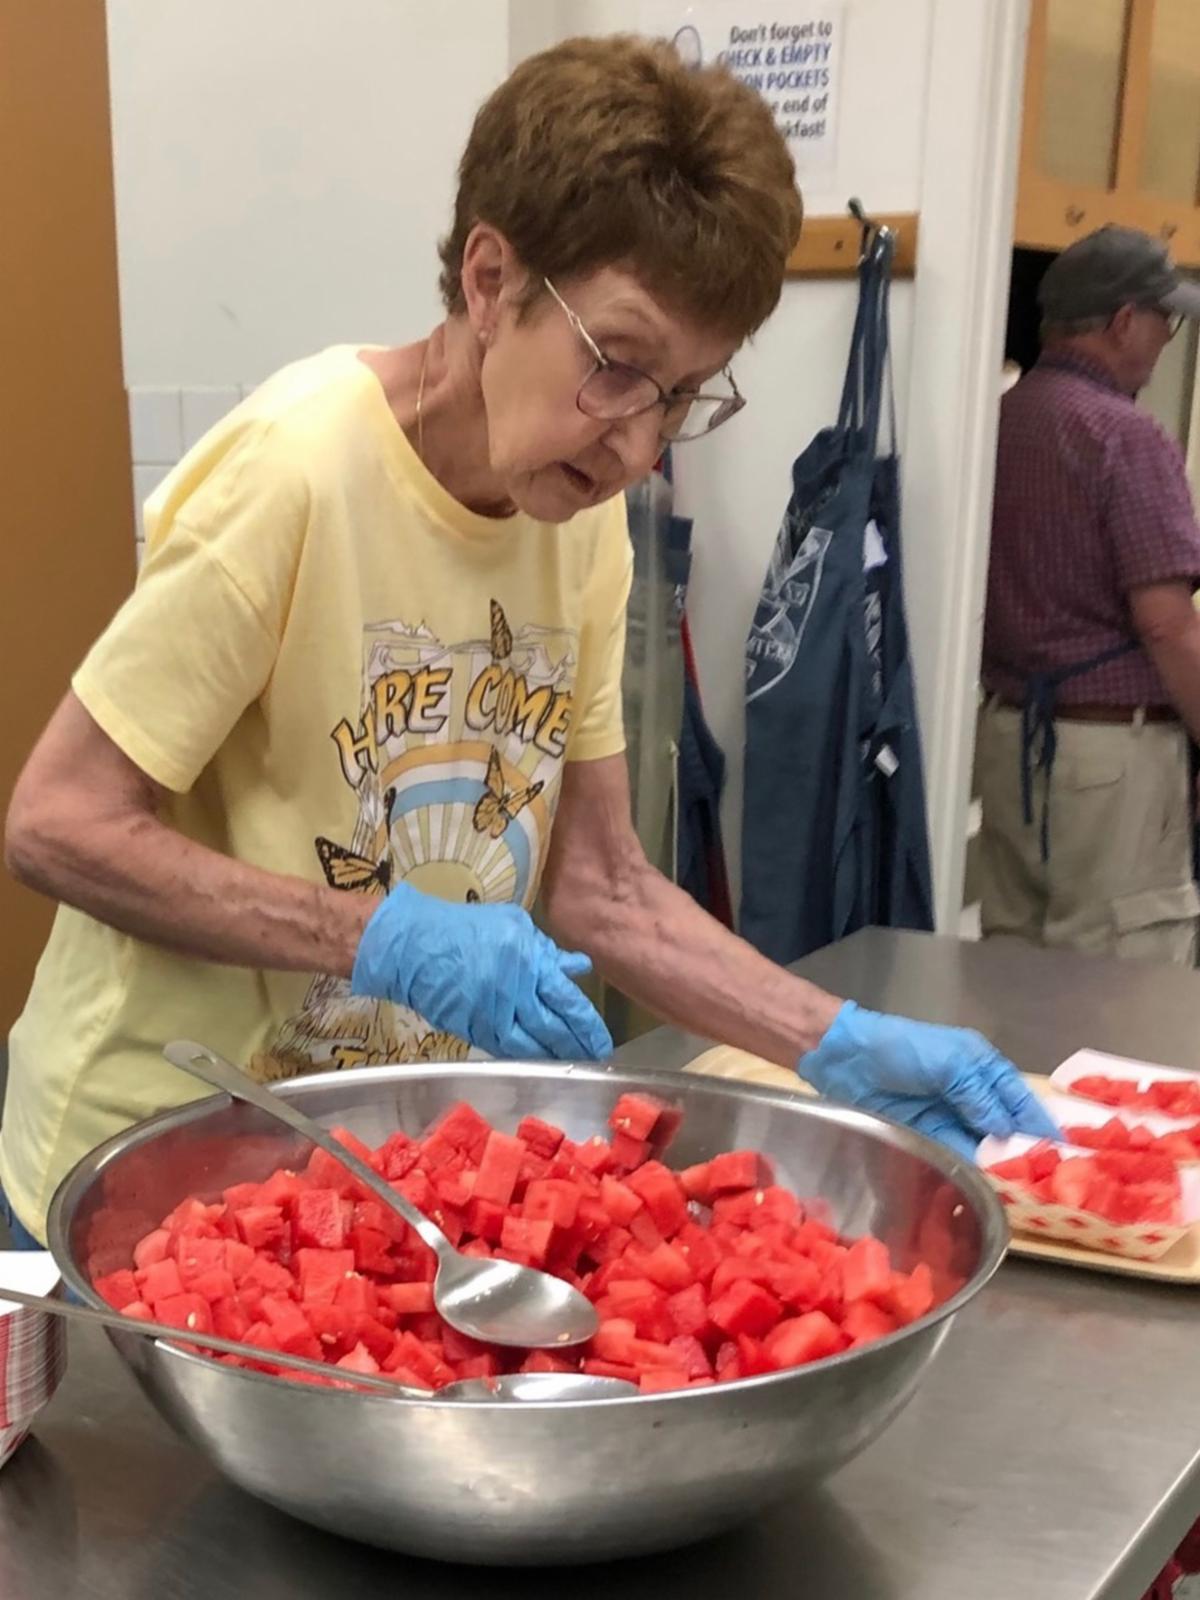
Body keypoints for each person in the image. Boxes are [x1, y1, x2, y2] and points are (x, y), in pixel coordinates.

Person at [0, 36, 1052, 1249]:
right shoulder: (295, 473)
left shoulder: (581, 522)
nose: (640, 448)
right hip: (142, 1162)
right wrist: (380, 933)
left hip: (350, 1174)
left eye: (684, 395)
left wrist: (825, 1035)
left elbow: (600, 882)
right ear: (490, 280)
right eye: (619, 367)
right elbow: (56, 819)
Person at [979, 225, 1200, 963]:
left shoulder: (998, 423)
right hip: (1114, 757)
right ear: (1122, 320)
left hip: (1008, 737)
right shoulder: (1125, 437)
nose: (1167, 339)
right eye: (1163, 320)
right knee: (1120, 985)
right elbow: (1169, 626)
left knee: (1013, 965)